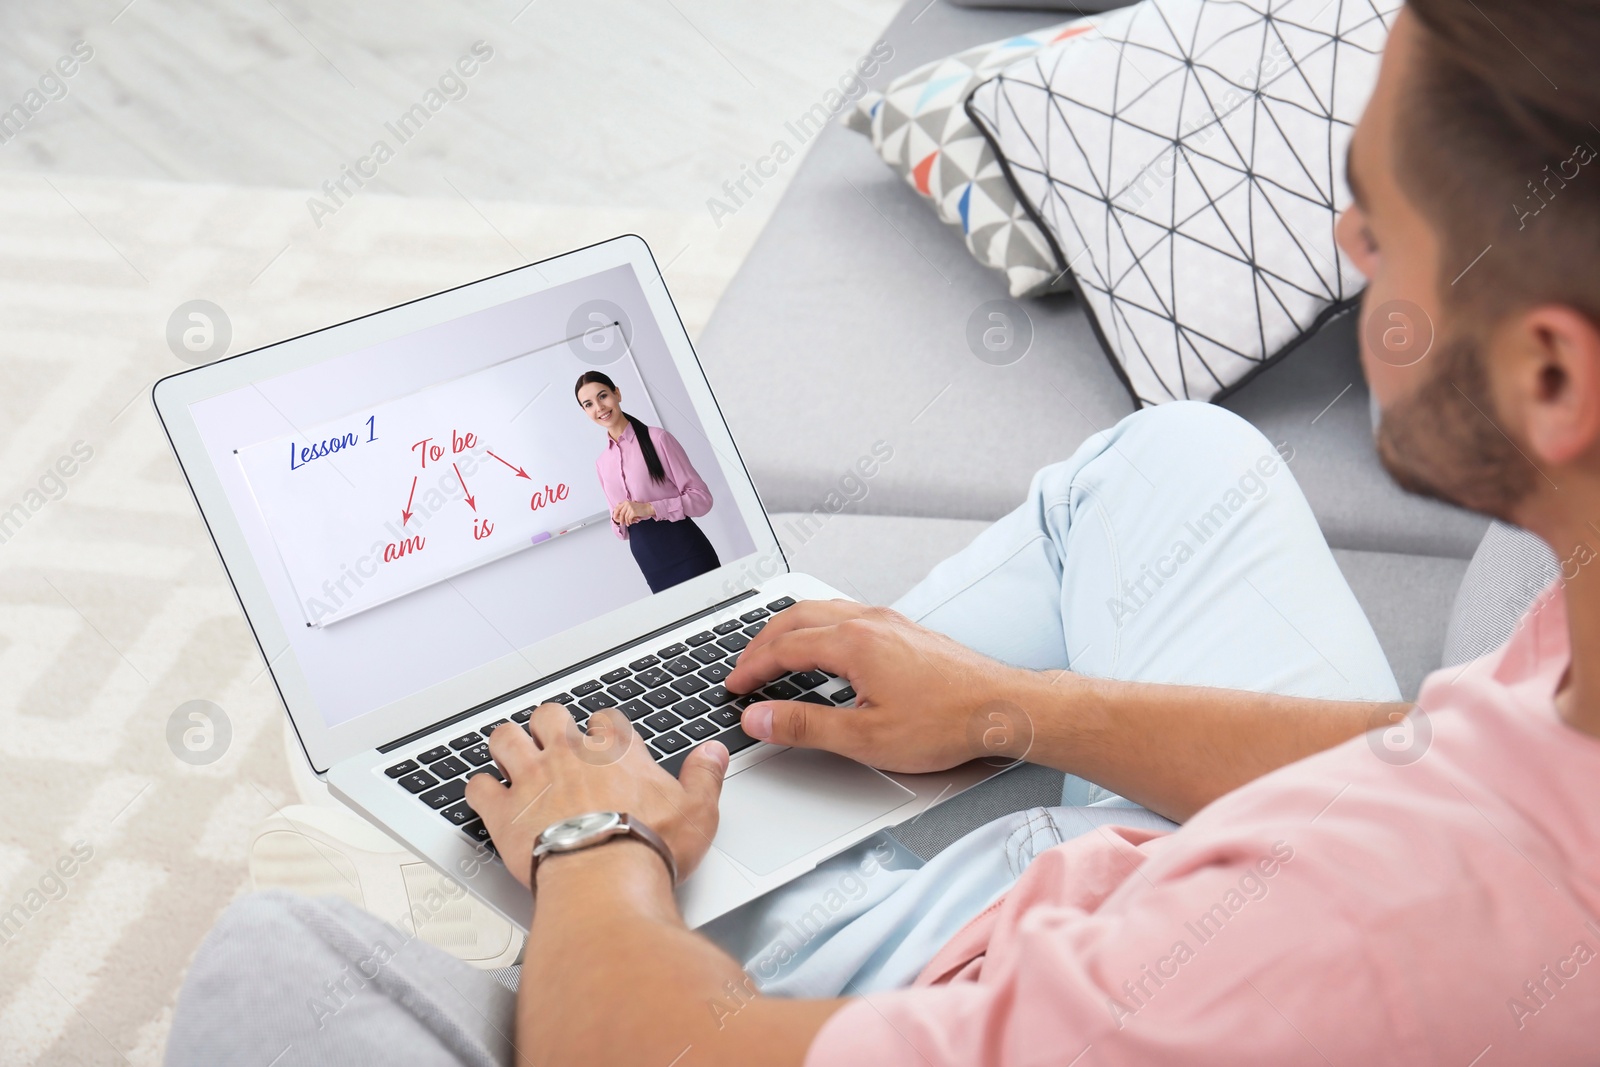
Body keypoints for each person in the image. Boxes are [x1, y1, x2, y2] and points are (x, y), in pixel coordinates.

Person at [165, 2, 1600, 1063]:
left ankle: (738, 844)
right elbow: (1427, 748)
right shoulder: (1570, 645)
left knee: (270, 968)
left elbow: (636, 1051)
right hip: (1134, 883)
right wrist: (1011, 704)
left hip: (1014, 971)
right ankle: (814, 759)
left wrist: (598, 841)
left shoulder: (1334, 943)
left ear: (1550, 374)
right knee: (1176, 463)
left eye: (1380, 222)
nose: (1351, 255)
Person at [575, 370, 720, 593]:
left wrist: (648, 508)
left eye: (603, 396)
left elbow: (702, 500)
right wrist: (618, 520)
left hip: (687, 551)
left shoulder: (657, 439)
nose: (599, 407)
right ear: (585, 411)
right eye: (588, 404)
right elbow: (620, 532)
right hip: (650, 561)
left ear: (617, 394)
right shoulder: (602, 463)